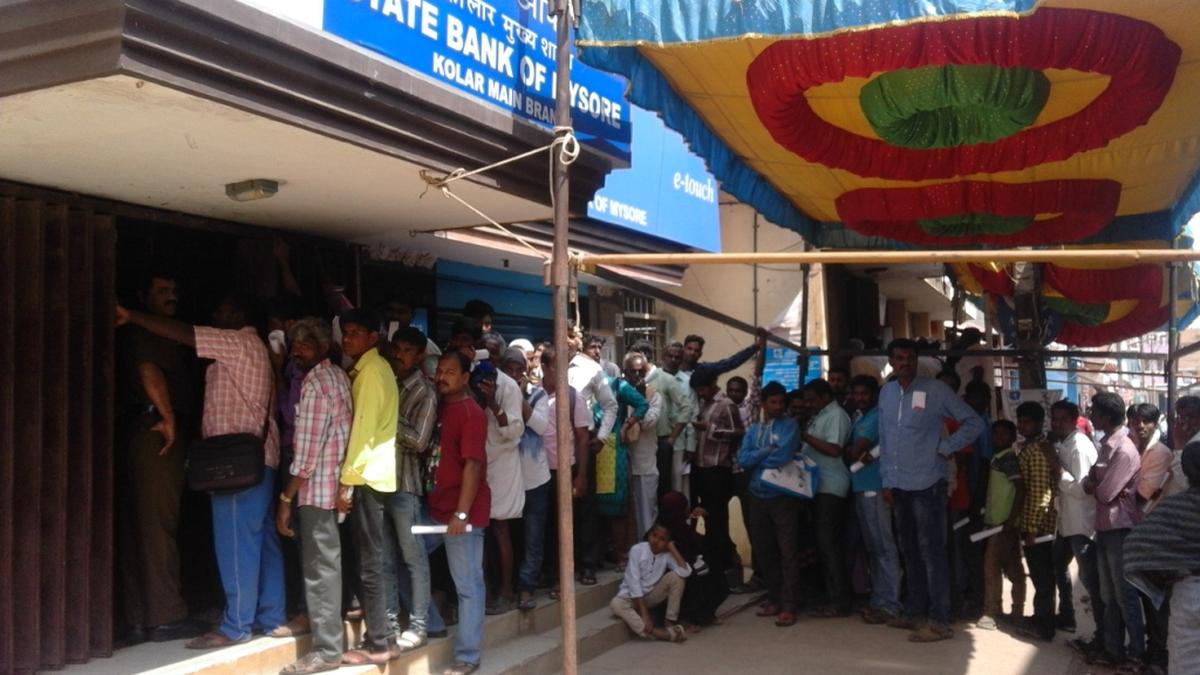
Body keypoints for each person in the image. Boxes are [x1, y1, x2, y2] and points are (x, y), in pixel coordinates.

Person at [116, 295, 287, 649]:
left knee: (235, 543)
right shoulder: (257, 349)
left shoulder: (237, 342)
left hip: (236, 465)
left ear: (238, 313)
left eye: (221, 308)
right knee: (263, 542)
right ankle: (272, 617)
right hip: (260, 461)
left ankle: (235, 626)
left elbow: (185, 334)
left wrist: (132, 314)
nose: (214, 312)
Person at [115, 272, 206, 643]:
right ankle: (167, 616)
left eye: (174, 290)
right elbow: (148, 369)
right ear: (143, 295)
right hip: (156, 431)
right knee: (158, 525)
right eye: (162, 291)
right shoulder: (147, 331)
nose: (171, 296)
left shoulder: (159, 328)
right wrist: (167, 417)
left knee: (142, 524)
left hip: (144, 429)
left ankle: (140, 617)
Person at [878, 338, 983, 643]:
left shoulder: (935, 391)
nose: (904, 362)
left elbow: (973, 422)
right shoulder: (886, 392)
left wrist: (946, 447)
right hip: (898, 485)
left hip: (928, 484)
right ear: (891, 361)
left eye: (910, 357)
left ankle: (939, 620)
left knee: (933, 552)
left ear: (916, 360)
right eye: (898, 357)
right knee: (908, 550)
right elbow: (885, 439)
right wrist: (886, 480)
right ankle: (915, 612)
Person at [275, 318, 353, 675]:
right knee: (327, 568)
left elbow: (305, 456)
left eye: (305, 344)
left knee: (320, 571)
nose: (296, 351)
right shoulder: (335, 376)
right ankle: (330, 644)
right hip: (329, 486)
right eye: (295, 345)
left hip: (317, 489)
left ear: (323, 347)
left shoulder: (317, 382)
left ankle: (326, 650)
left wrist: (286, 498)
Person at [336, 309, 401, 665]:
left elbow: (361, 433)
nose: (348, 339)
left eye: (357, 332)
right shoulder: (368, 370)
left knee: (371, 564)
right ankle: (382, 637)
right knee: (372, 560)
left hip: (367, 477)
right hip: (371, 475)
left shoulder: (373, 373)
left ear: (374, 337)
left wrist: (345, 485)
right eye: (345, 332)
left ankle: (379, 643)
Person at [427, 351, 492, 675]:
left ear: (466, 378)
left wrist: (462, 515)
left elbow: (473, 467)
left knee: (468, 585)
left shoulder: (471, 413)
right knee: (399, 557)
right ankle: (432, 623)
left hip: (460, 514)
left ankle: (468, 656)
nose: (442, 376)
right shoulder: (440, 406)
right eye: (440, 370)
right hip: (435, 509)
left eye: (450, 372)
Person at [383, 327, 439, 651]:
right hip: (380, 483)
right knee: (386, 558)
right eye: (397, 349)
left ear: (419, 357)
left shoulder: (425, 392)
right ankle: (391, 625)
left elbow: (418, 441)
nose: (400, 355)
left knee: (414, 559)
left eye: (407, 351)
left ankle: (419, 626)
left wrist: (388, 417)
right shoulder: (385, 381)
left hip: (405, 486)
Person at [1124, 442, 1200, 675]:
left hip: (1189, 594)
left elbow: (1135, 547)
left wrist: (1162, 580)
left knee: (1185, 662)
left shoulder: (1173, 508)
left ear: (1185, 473)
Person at [1085, 391, 1146, 667]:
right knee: (1110, 596)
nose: (1091, 415)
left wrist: (1092, 485)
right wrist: (1094, 484)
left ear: (1106, 416)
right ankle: (1113, 649)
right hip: (1107, 527)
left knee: (1123, 595)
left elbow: (1105, 492)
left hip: (1120, 528)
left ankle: (1136, 652)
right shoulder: (1108, 444)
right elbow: (1096, 482)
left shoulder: (1123, 449)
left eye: (1094, 411)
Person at [736, 381, 803, 627]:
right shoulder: (754, 429)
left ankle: (789, 605)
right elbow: (743, 459)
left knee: (787, 551)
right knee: (764, 550)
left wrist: (758, 457)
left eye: (780, 403)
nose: (777, 407)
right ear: (763, 403)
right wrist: (765, 452)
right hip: (757, 495)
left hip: (782, 496)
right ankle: (774, 598)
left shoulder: (790, 426)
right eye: (772, 402)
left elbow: (783, 456)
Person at [1049, 400, 1105, 656]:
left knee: (1088, 578)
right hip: (1068, 521)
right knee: (1058, 564)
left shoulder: (1080, 446)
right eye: (1055, 418)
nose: (1057, 423)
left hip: (1082, 522)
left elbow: (1083, 489)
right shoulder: (1067, 442)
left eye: (1062, 419)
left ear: (1074, 419)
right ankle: (1068, 615)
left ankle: (1100, 634)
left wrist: (1057, 469)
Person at [845, 375, 901, 625]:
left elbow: (854, 451)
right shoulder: (860, 417)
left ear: (874, 394)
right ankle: (880, 600)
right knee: (874, 547)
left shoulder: (877, 416)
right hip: (862, 486)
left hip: (875, 489)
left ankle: (890, 604)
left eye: (864, 393)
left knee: (884, 547)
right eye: (855, 393)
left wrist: (846, 451)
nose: (859, 398)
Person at [539, 347, 595, 596]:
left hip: (568, 468)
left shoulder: (573, 397)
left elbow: (583, 438)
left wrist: (581, 475)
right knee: (551, 524)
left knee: (578, 521)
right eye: (555, 366)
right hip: (542, 472)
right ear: (544, 367)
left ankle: (586, 567)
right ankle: (554, 575)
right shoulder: (534, 395)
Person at [478, 340, 525, 616]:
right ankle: (482, 589)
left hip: (503, 464)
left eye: (494, 352)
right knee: (479, 531)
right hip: (477, 463)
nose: (488, 356)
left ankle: (506, 590)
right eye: (484, 350)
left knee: (500, 528)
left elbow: (515, 431)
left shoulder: (507, 386)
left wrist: (493, 404)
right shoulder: (471, 378)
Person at [799, 378, 852, 617]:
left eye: (812, 399)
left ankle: (839, 600)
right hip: (816, 485)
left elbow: (834, 449)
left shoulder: (837, 415)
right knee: (822, 543)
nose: (808, 404)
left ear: (825, 396)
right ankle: (829, 595)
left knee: (828, 543)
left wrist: (805, 437)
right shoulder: (820, 415)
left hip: (831, 485)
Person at [687, 368, 744, 583]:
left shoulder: (726, 404)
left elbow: (738, 432)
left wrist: (709, 428)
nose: (700, 393)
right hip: (701, 467)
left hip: (718, 468)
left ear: (712, 384)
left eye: (702, 388)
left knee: (717, 518)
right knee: (702, 516)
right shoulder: (703, 403)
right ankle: (711, 562)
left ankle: (724, 563)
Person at [593, 365, 648, 571]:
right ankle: (600, 555)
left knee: (615, 506)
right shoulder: (580, 384)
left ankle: (621, 555)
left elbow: (642, 404)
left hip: (611, 449)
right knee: (592, 507)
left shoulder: (616, 385)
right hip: (589, 447)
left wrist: (627, 424)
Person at [1014, 402, 1059, 642]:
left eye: (1027, 421)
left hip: (1039, 527)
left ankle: (1045, 625)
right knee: (1040, 575)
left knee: (1042, 577)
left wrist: (1031, 529)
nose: (1022, 426)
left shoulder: (1039, 450)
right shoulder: (1028, 447)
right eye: (1020, 421)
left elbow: (1040, 494)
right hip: (1033, 524)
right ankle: (1041, 617)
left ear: (1040, 423)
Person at [978, 420, 1026, 632]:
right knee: (1012, 566)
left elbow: (1020, 489)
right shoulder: (999, 458)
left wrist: (1010, 519)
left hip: (1003, 523)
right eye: (995, 434)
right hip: (998, 521)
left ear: (1013, 437)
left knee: (992, 566)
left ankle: (992, 611)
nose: (999, 438)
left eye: (1004, 435)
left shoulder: (1007, 459)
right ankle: (1016, 612)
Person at [609, 523, 692, 643]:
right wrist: (645, 614)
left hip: (651, 596)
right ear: (649, 535)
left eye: (662, 539)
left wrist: (672, 548)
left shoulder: (666, 555)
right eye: (654, 535)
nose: (656, 541)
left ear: (668, 542)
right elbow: (634, 582)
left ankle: (670, 623)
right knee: (615, 604)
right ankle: (660, 634)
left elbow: (685, 572)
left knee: (677, 577)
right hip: (631, 597)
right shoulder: (637, 550)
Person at [659, 491, 728, 627]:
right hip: (672, 573)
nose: (687, 509)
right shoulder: (660, 532)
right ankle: (695, 615)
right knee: (702, 576)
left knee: (712, 568)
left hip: (687, 566)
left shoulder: (680, 527)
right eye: (685, 506)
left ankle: (701, 615)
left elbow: (699, 545)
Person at [624, 352, 664, 543]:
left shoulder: (653, 395)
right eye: (634, 372)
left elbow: (648, 422)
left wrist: (640, 401)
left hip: (645, 464)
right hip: (622, 463)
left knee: (647, 513)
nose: (638, 377)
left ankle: (648, 550)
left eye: (642, 372)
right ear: (625, 372)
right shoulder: (618, 392)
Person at [654, 341, 695, 497]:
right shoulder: (654, 376)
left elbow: (692, 412)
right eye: (670, 356)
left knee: (676, 484)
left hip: (677, 441)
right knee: (659, 483)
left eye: (677, 357)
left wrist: (690, 446)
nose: (673, 360)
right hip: (656, 439)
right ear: (663, 357)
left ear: (681, 359)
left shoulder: (687, 382)